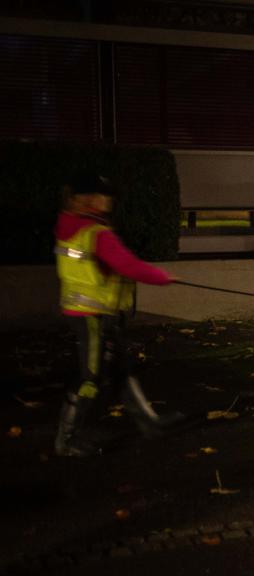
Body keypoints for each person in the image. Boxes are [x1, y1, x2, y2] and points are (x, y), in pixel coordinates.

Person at [54, 171, 183, 457]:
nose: (108, 201)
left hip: (89, 311)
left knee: (120, 369)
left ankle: (149, 422)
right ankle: (67, 440)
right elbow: (128, 265)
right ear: (86, 199)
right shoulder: (95, 233)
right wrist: (162, 277)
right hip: (92, 315)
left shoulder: (69, 226)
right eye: (103, 196)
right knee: (90, 378)